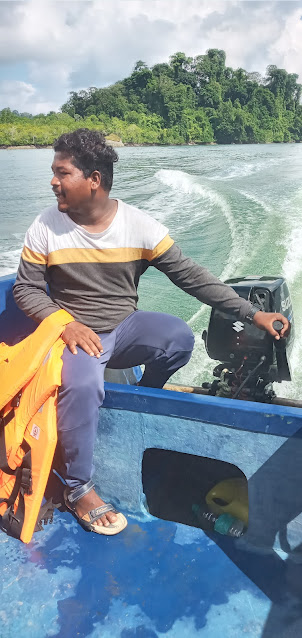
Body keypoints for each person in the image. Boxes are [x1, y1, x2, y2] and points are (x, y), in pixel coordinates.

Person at [13, 129, 289, 536]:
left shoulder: (138, 225)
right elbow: (26, 288)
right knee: (84, 387)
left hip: (124, 327)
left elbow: (191, 276)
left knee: (178, 338)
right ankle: (78, 489)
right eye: (54, 173)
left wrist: (253, 314)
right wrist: (66, 324)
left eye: (62, 173)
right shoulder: (46, 226)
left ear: (94, 179)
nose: (53, 181)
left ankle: (147, 396)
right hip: (76, 337)